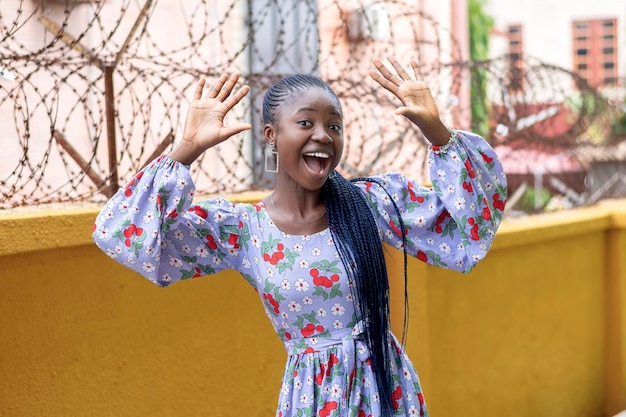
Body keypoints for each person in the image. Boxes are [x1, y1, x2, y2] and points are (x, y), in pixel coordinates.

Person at [93, 56, 507, 417]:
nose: (324, 135)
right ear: (272, 135)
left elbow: (469, 227)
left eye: (334, 125)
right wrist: (186, 149)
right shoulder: (242, 230)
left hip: (385, 392)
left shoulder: (371, 202)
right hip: (312, 401)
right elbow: (122, 235)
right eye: (306, 122)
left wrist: (437, 130)